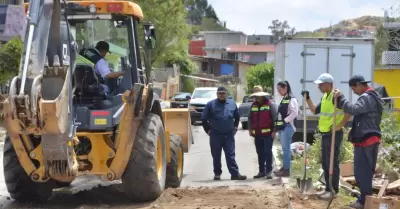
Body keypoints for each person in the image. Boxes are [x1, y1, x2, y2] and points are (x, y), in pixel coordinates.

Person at [333, 75, 384, 209]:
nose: (354, 91)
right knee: (363, 172)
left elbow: (354, 110)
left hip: (366, 139)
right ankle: (364, 200)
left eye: (353, 88)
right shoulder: (372, 97)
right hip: (367, 139)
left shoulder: (367, 97)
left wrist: (342, 99)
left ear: (359, 85)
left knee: (363, 172)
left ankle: (364, 202)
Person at [301, 73, 351, 199]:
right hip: (325, 134)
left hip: (333, 134)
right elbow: (314, 110)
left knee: (331, 162)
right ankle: (328, 188)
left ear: (328, 84)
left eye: (321, 84)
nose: (318, 87)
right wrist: (308, 98)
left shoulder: (337, 96)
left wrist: (340, 125)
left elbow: (349, 111)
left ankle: (333, 190)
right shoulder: (325, 97)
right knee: (325, 162)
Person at [201, 86, 247, 181]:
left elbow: (237, 117)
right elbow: (204, 119)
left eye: (223, 93)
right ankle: (217, 173)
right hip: (215, 135)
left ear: (227, 94)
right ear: (217, 94)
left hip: (229, 135)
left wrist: (235, 127)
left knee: (230, 155)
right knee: (216, 155)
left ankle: (234, 174)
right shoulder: (210, 104)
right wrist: (208, 131)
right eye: (219, 93)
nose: (221, 95)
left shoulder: (232, 104)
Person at [247, 90, 277, 179]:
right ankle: (261, 171)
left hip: (268, 134)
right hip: (257, 134)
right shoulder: (253, 105)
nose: (256, 98)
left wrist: (274, 131)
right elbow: (249, 118)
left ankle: (269, 171)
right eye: (255, 97)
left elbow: (275, 118)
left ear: (263, 97)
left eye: (258, 97)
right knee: (260, 153)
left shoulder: (271, 105)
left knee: (267, 152)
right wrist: (250, 129)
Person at [274, 81, 298, 177]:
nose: (278, 91)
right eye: (278, 90)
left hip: (288, 127)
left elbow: (294, 113)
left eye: (280, 89)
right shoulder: (284, 99)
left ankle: (286, 170)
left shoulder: (292, 100)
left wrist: (285, 121)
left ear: (285, 88)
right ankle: (284, 168)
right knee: (284, 149)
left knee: (286, 149)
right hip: (282, 127)